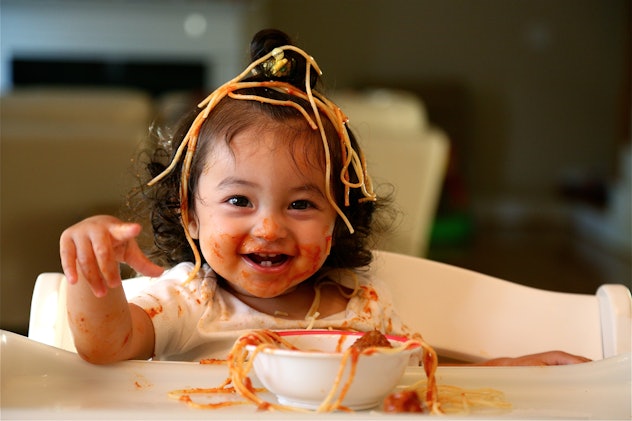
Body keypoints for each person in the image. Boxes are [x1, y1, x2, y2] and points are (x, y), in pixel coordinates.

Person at [60, 29, 589, 366]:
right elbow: (107, 344)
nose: (269, 228)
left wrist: (508, 373)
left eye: (301, 204)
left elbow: (415, 381)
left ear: (336, 223)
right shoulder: (190, 302)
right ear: (190, 217)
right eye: (240, 202)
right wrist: (94, 268)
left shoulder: (362, 307)